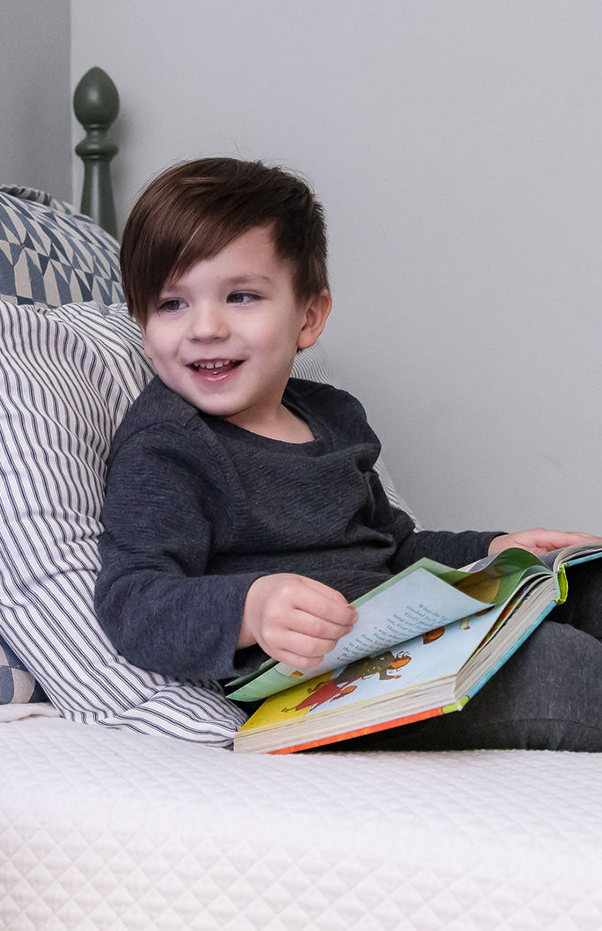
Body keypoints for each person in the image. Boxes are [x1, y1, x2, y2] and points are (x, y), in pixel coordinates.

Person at [95, 157, 602, 750]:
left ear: (308, 316)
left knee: (586, 586)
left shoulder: (335, 417)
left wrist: (492, 550)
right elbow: (134, 597)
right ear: (141, 320)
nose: (204, 327)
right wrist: (250, 609)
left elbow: (395, 549)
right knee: (560, 667)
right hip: (318, 687)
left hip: (398, 640)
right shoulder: (167, 444)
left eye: (240, 296)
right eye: (171, 304)